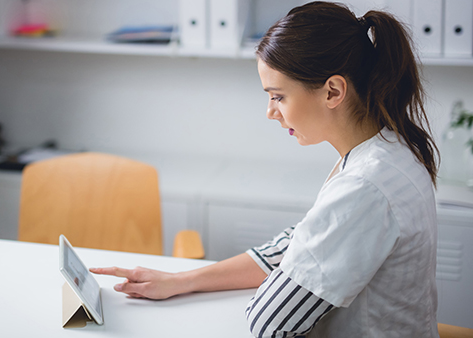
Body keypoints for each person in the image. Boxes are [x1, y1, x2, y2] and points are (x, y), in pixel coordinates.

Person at [90, 2, 440, 337]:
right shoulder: (389, 148)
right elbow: (300, 242)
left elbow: (268, 320)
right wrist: (183, 281)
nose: (271, 112)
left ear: (332, 91)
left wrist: (287, 275)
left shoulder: (366, 187)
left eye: (278, 96)